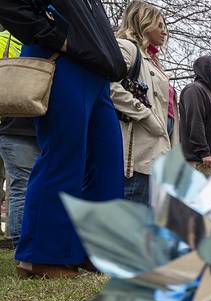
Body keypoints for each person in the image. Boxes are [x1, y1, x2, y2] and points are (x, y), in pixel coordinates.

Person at [1, 0, 127, 278]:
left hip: (99, 74)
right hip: (60, 62)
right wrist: (59, 39)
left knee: (107, 165)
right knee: (63, 156)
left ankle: (89, 251)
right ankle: (41, 255)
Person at [111, 1, 177, 205]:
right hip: (137, 151)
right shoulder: (127, 48)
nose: (164, 32)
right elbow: (109, 84)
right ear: (143, 22)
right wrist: (146, 115)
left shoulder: (155, 61)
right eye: (159, 25)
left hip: (158, 151)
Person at [0, 31, 38, 249]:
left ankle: (23, 238)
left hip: (27, 129)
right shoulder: (7, 40)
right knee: (21, 186)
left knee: (23, 186)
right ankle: (18, 240)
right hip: (15, 130)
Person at [179, 56, 211, 177]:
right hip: (201, 163)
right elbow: (195, 121)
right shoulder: (195, 90)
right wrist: (204, 152)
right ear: (206, 69)